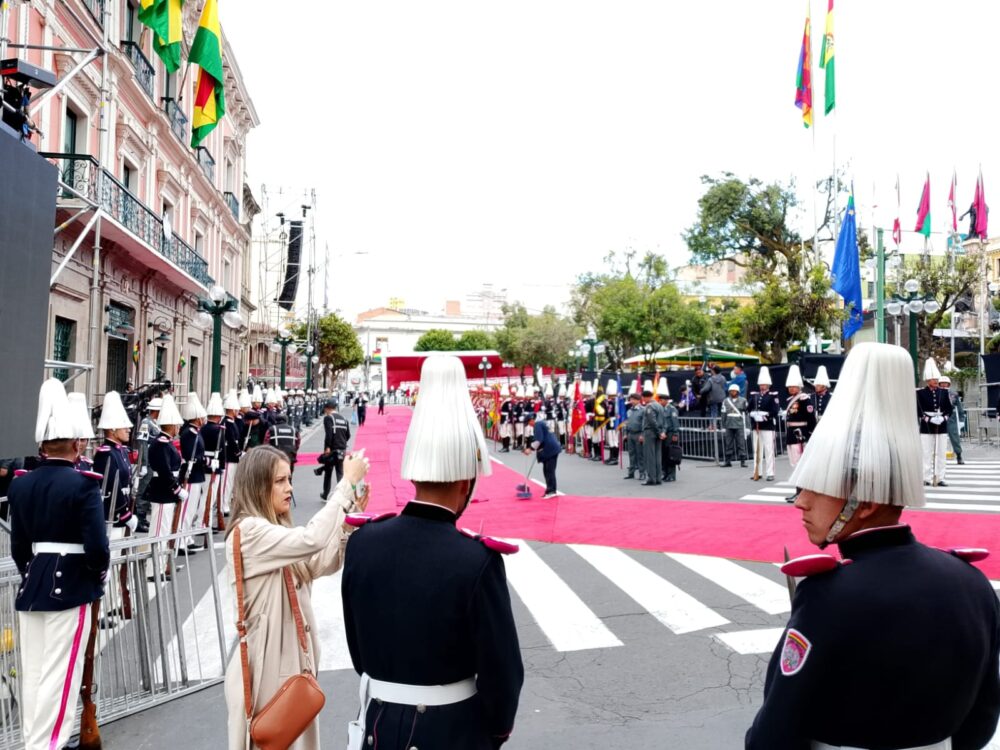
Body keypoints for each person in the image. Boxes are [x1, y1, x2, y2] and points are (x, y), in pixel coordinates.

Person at [746, 342, 1000, 750]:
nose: (801, 502)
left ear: (865, 504)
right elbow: (984, 715)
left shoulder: (827, 595)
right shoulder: (973, 583)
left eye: (816, 489)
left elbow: (777, 728)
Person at [342, 355, 523, 748]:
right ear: (465, 483)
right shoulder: (477, 560)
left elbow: (358, 652)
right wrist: (493, 733)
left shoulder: (362, 543)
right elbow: (503, 673)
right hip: (452, 730)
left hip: (379, 724)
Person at [224, 445, 370, 750]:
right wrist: (344, 487)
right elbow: (312, 539)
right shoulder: (249, 531)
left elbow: (319, 563)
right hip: (267, 673)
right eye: (279, 481)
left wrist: (348, 519)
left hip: (290, 669)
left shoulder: (274, 529)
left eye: (289, 479)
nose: (289, 487)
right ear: (257, 485)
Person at [8, 379, 110, 750]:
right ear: (77, 443)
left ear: (42, 445)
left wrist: (32, 573)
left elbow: (19, 547)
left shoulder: (20, 485)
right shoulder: (84, 486)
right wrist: (97, 575)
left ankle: (34, 742)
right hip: (72, 587)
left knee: (34, 676)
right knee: (62, 677)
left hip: (32, 585)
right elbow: (97, 548)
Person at [147, 394, 187, 579]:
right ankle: (154, 568)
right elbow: (164, 472)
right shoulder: (160, 444)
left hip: (167, 492)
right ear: (170, 425)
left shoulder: (166, 443)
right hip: (163, 492)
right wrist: (177, 489)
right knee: (159, 532)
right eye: (176, 425)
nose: (178, 427)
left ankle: (163, 565)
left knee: (165, 530)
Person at [178, 393, 208, 550]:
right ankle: (181, 540)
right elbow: (193, 457)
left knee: (192, 509)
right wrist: (206, 461)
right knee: (187, 510)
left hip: (197, 475)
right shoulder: (189, 434)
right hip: (190, 475)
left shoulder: (195, 432)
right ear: (197, 418)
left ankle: (187, 537)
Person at [918, 357, 953, 486]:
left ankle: (940, 477)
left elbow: (949, 409)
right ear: (928, 380)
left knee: (941, 452)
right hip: (926, 425)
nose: (936, 381)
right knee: (926, 452)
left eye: (937, 379)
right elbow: (918, 409)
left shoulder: (944, 393)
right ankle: (926, 477)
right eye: (934, 379)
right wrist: (928, 418)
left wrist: (943, 418)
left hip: (941, 425)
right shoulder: (920, 393)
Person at [134, 396, 162, 533]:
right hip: (148, 462)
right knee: (143, 491)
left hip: (154, 462)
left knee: (148, 490)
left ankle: (143, 518)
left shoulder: (156, 423)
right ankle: (139, 519)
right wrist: (143, 464)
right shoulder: (146, 422)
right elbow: (143, 444)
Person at [747, 366, 780, 481]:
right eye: (761, 384)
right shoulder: (754, 395)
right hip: (756, 426)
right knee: (757, 450)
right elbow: (749, 408)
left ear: (768, 385)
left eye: (764, 384)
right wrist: (752, 414)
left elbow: (775, 411)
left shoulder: (773, 395)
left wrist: (764, 416)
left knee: (769, 450)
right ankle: (757, 472)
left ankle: (770, 473)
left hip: (767, 425)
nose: (762, 386)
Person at [783, 364, 816, 470]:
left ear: (799, 387)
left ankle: (800, 485)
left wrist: (810, 432)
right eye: (789, 387)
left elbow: (810, 416)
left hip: (800, 433)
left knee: (800, 461)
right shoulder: (789, 400)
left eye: (793, 386)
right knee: (793, 460)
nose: (791, 389)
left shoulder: (804, 399)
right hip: (791, 433)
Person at [318, 399, 351, 501]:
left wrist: (327, 447)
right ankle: (342, 494)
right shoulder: (344, 419)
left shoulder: (328, 418)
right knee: (340, 472)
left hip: (332, 449)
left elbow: (329, 434)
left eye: (325, 410)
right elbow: (348, 435)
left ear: (328, 409)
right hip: (342, 449)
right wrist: (342, 443)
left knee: (328, 471)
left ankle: (326, 493)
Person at [524, 414, 562, 498]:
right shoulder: (541, 423)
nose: (529, 425)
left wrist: (530, 449)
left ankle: (551, 491)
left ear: (532, 420)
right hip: (551, 448)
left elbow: (538, 440)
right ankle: (550, 489)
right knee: (547, 470)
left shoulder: (537, 425)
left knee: (549, 471)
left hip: (550, 449)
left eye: (528, 423)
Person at [640, 382, 665, 486]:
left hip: (651, 432)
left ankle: (651, 479)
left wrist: (658, 432)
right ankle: (658, 478)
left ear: (646, 397)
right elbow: (663, 421)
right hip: (658, 433)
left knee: (650, 456)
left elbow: (652, 421)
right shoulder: (659, 405)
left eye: (643, 398)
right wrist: (662, 432)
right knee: (657, 456)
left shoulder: (650, 406)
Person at [940, 373, 966, 465]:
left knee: (955, 438)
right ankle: (939, 458)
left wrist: (962, 420)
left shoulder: (954, 394)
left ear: (949, 384)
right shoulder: (935, 393)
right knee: (939, 439)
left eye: (945, 383)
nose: (943, 385)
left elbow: (959, 408)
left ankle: (959, 456)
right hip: (939, 418)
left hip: (952, 419)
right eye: (942, 383)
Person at [721, 383, 748, 468]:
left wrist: (747, 426)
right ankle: (728, 461)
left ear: (737, 392)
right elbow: (723, 414)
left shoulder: (743, 400)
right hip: (729, 424)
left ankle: (743, 461)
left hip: (739, 424)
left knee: (741, 443)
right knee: (728, 443)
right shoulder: (725, 401)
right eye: (731, 391)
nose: (733, 392)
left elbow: (746, 414)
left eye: (734, 391)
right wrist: (723, 426)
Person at [624, 390, 646, 480]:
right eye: (631, 399)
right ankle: (631, 472)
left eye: (633, 399)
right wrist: (625, 433)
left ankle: (642, 473)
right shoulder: (629, 411)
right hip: (630, 434)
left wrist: (642, 435)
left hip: (638, 434)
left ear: (638, 400)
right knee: (631, 454)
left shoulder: (643, 410)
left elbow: (644, 424)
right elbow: (627, 423)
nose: (631, 401)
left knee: (640, 454)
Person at [660, 389, 681, 482]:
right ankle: (665, 473)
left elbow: (675, 423)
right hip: (664, 434)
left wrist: (675, 434)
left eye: (662, 400)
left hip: (671, 434)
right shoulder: (662, 409)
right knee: (664, 454)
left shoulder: (672, 409)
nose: (660, 402)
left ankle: (672, 475)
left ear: (666, 400)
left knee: (671, 455)